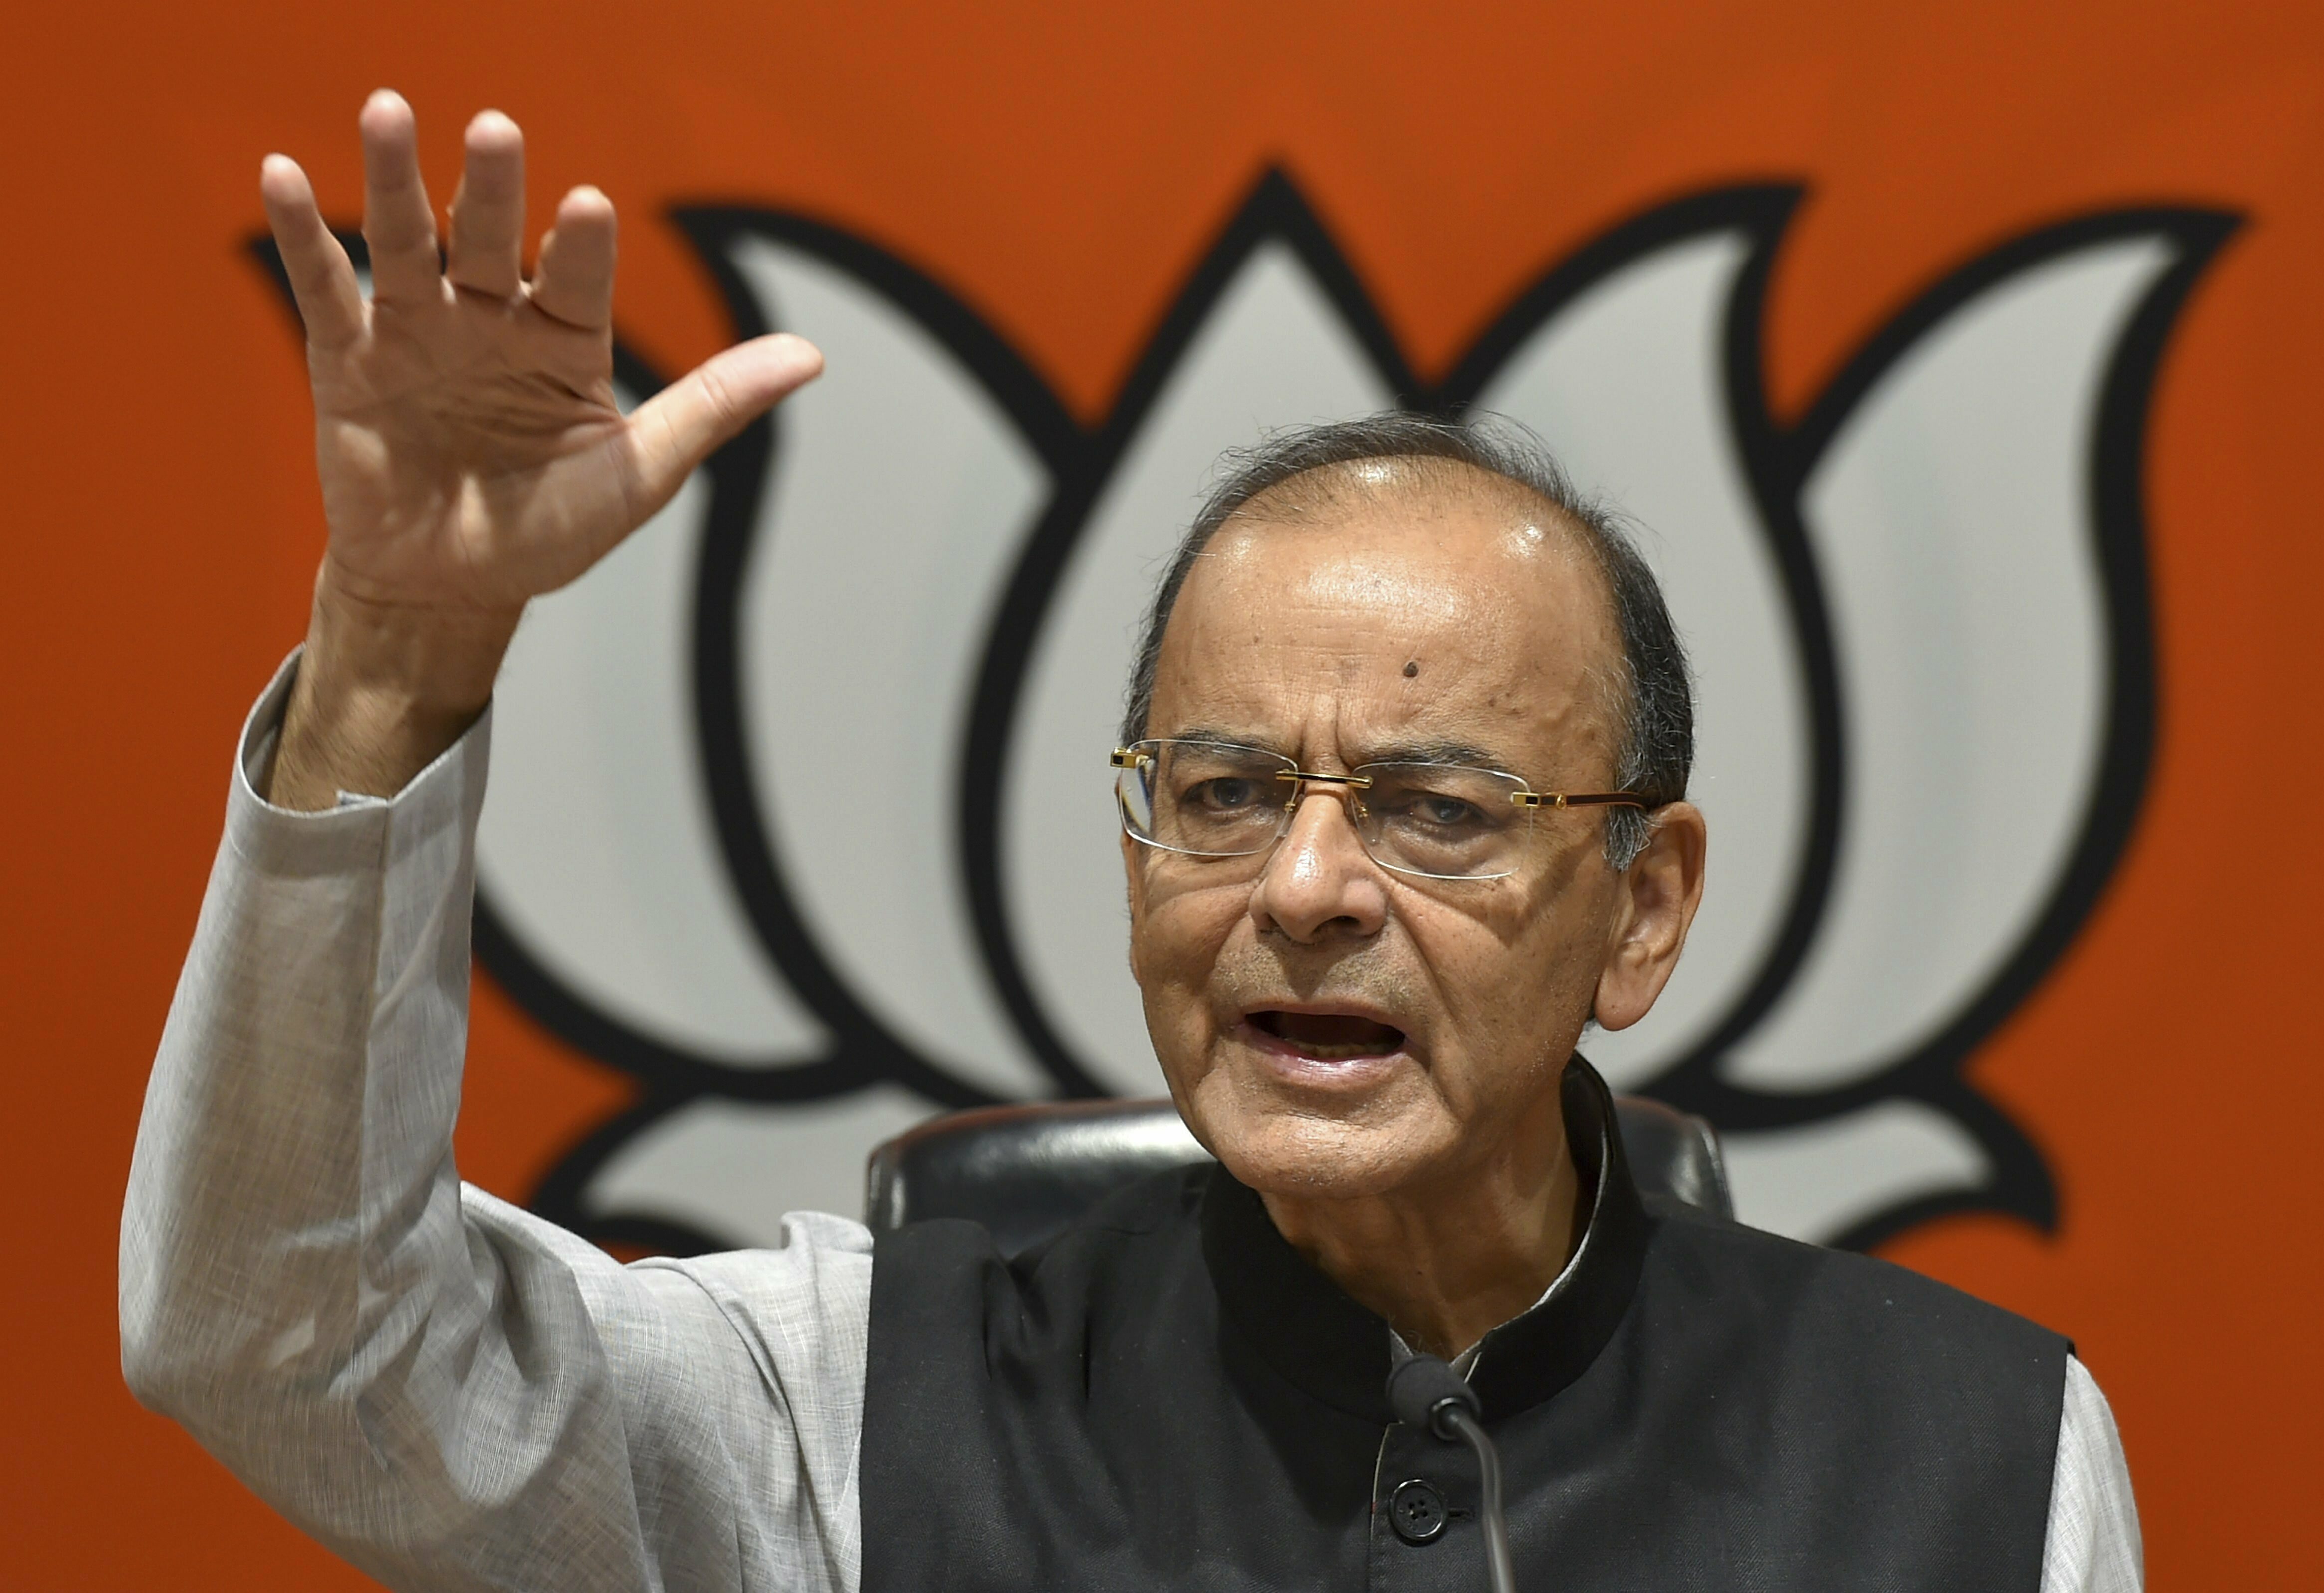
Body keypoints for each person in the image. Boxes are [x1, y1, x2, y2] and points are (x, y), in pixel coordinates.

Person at [119, 93, 2141, 1592]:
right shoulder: (846, 1413)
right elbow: (296, 1340)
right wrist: (393, 658)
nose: (1304, 890)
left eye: (1439, 810)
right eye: (1225, 792)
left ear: (1644, 910)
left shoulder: (1983, 1457)